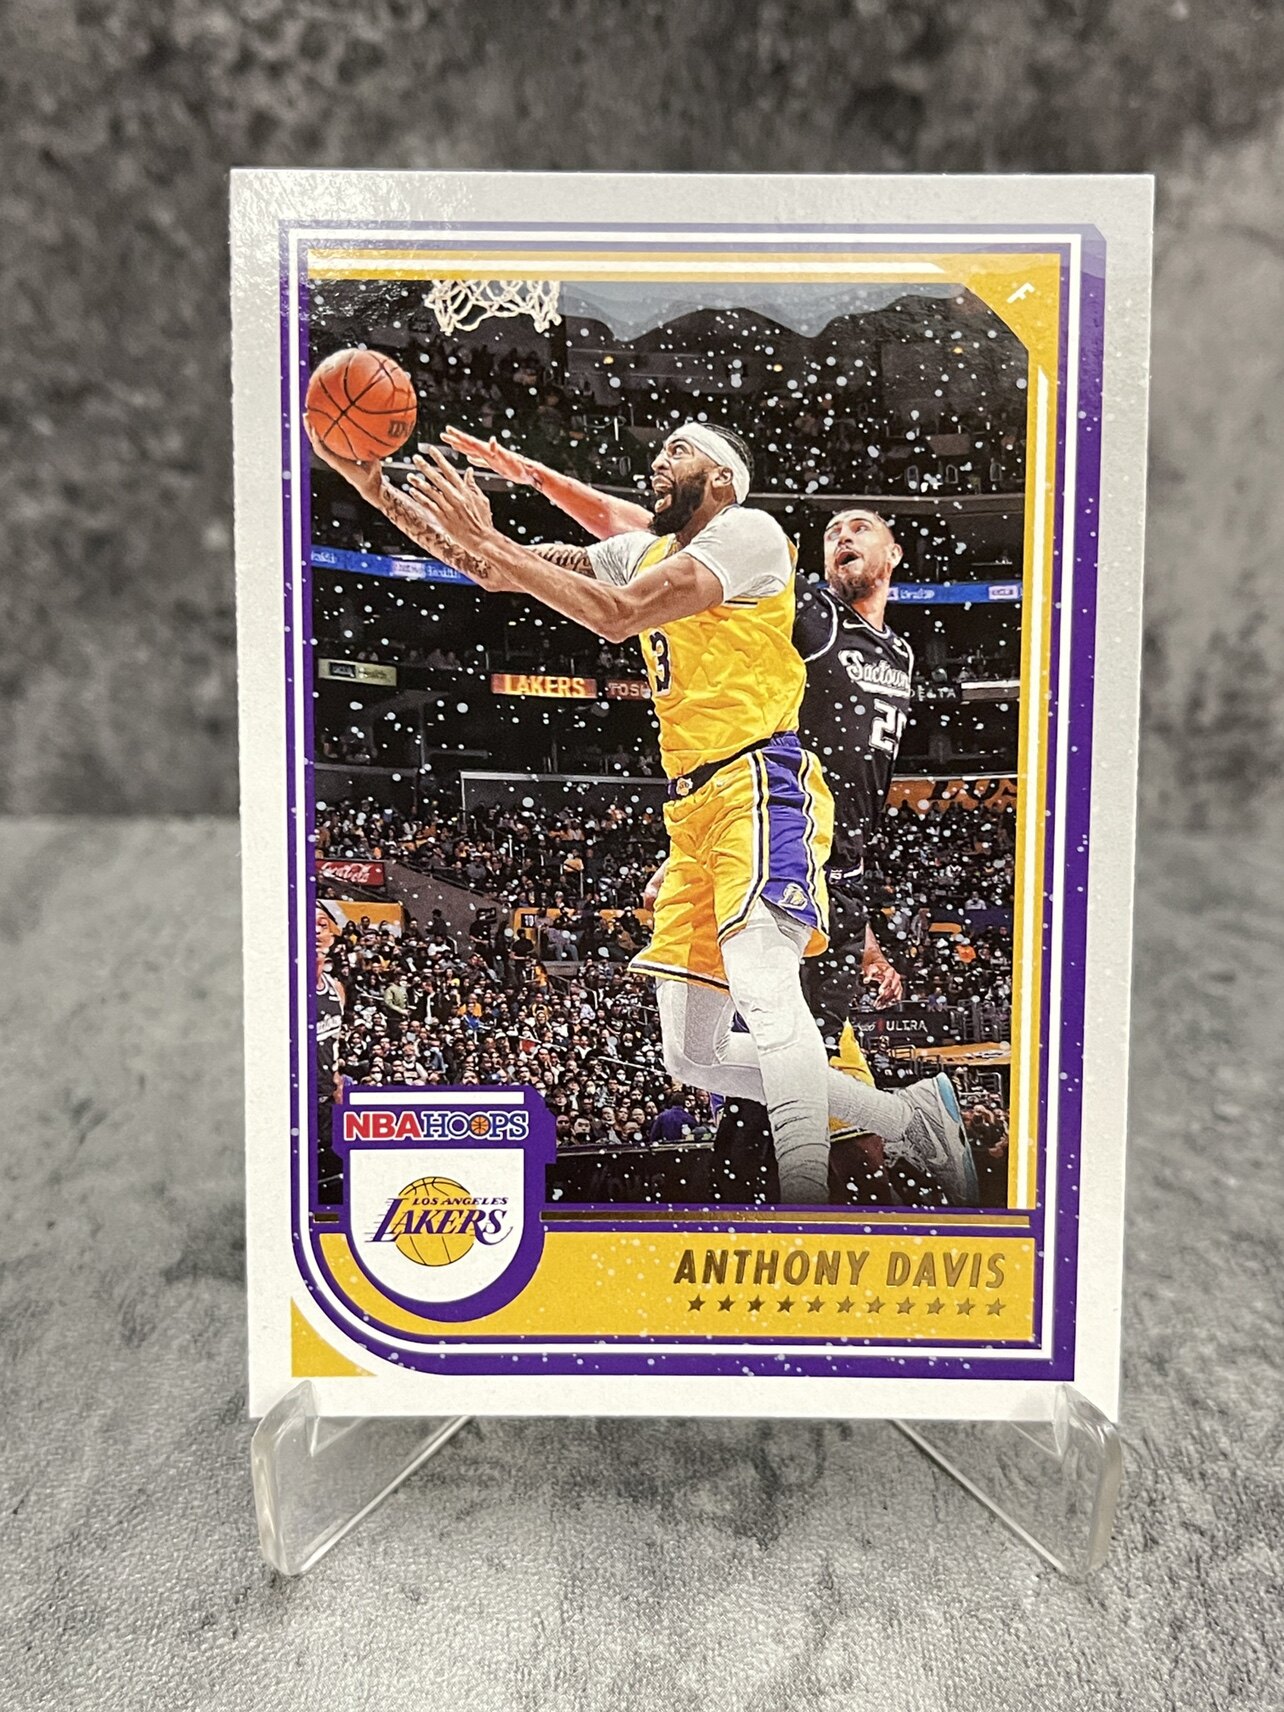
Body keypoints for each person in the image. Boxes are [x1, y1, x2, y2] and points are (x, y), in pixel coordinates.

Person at [308, 417, 969, 1205]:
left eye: (678, 449)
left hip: (761, 782)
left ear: (722, 478)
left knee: (767, 994)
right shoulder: (639, 554)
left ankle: (803, 1206)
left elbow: (616, 615)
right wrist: (369, 485)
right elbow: (492, 567)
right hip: (693, 812)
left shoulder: (751, 534)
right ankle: (910, 1118)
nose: (658, 458)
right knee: (691, 1056)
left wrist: (502, 532)